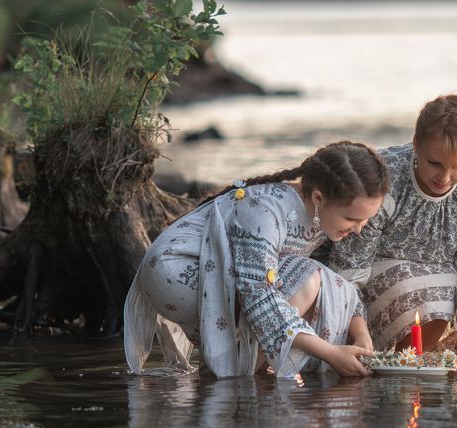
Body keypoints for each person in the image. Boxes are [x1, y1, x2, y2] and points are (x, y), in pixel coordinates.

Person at [124, 141, 389, 378]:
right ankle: (241, 371)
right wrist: (329, 353)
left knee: (316, 280)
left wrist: (361, 333)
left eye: (365, 219)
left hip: (187, 274)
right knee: (307, 277)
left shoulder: (325, 217)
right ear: (319, 198)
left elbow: (337, 281)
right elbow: (260, 296)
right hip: (178, 268)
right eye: (352, 219)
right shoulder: (268, 210)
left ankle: (245, 368)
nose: (359, 229)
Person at [328, 95, 457, 372]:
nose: (445, 178)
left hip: (441, 291)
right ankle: (390, 371)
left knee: (449, 287)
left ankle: (417, 375)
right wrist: (356, 331)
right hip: (371, 281)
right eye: (435, 163)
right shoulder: (383, 179)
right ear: (416, 143)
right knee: (412, 285)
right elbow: (349, 269)